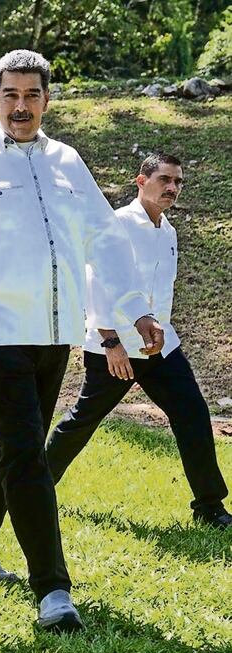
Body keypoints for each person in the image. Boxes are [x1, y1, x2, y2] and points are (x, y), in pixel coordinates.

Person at [0, 49, 165, 632]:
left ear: (47, 100)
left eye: (32, 95)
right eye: (11, 95)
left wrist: (137, 309)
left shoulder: (68, 162)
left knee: (15, 443)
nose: (21, 106)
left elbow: (105, 240)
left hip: (54, 334)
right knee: (27, 453)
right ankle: (52, 589)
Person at [45, 154, 231, 529]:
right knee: (82, 421)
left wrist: (160, 333)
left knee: (193, 414)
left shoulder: (168, 231)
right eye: (165, 179)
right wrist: (110, 341)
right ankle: (32, 489)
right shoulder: (116, 224)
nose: (173, 188)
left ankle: (210, 507)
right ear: (141, 181)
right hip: (115, 346)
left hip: (160, 346)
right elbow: (94, 282)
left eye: (178, 182)